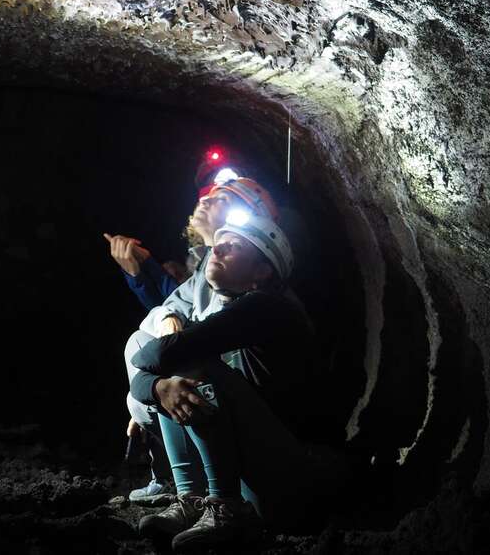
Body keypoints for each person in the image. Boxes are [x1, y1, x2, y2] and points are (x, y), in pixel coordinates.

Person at [130, 210, 344, 549]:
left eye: (234, 247)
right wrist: (158, 388)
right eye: (219, 243)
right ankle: (193, 500)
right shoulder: (231, 308)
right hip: (262, 476)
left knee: (189, 361)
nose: (215, 249)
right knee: (160, 356)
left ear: (263, 271)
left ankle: (224, 506)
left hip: (297, 485)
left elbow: (157, 357)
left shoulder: (269, 308)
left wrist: (154, 382)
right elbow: (145, 356)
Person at [114, 176, 281, 503]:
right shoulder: (205, 267)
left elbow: (190, 343)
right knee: (153, 357)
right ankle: (186, 491)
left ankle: (218, 500)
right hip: (217, 415)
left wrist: (153, 378)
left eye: (222, 199)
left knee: (184, 367)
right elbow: (169, 306)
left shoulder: (261, 298)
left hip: (258, 441)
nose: (205, 200)